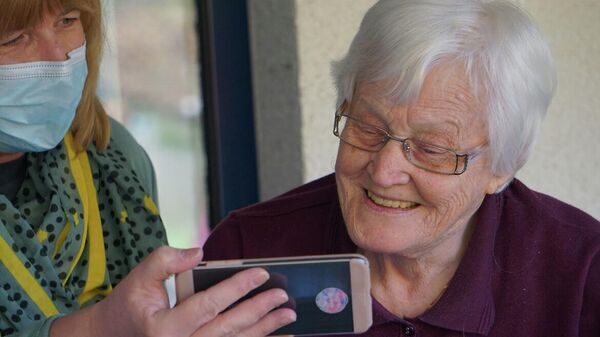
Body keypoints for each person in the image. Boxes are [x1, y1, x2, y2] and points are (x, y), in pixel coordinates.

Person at [203, 0, 600, 336]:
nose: (383, 171)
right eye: (367, 127)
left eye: (431, 148)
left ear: (502, 166)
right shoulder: (250, 249)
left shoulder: (583, 272)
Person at [0, 1, 295, 336]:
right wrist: (103, 327)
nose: (58, 57)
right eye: (12, 39)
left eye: (67, 21)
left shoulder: (109, 155)